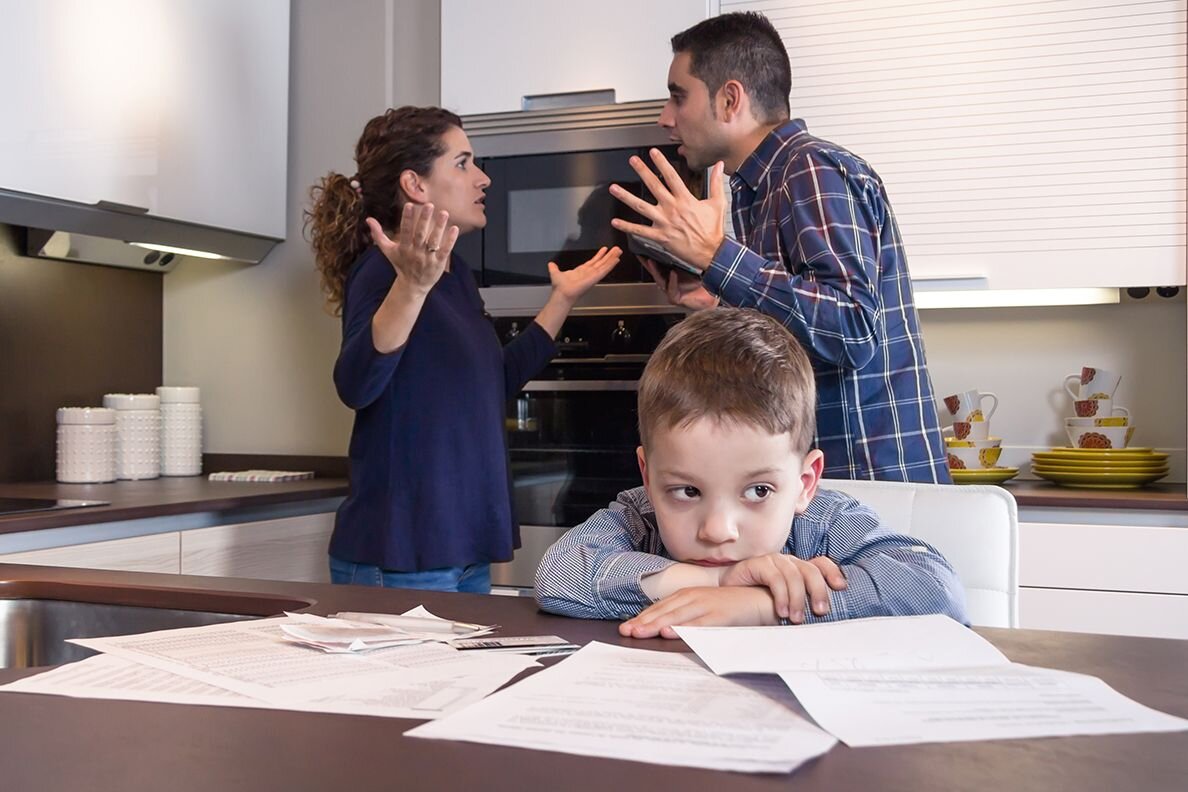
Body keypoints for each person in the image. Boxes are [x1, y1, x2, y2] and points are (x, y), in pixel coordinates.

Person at [608, 11, 950, 484]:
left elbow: (851, 328)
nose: (665, 118)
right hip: (826, 489)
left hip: (872, 486)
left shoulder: (810, 168)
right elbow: (803, 330)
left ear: (730, 99)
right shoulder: (755, 189)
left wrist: (715, 257)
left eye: (677, 96)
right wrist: (717, 300)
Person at [306, 106, 621, 593]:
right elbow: (356, 383)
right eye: (463, 163)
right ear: (416, 184)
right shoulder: (383, 271)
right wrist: (411, 288)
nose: (482, 178)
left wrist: (562, 300)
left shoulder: (455, 277)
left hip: (463, 550)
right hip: (403, 555)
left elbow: (493, 382)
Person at [534, 308, 967, 638]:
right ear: (647, 476)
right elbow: (556, 576)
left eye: (758, 490)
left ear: (804, 483)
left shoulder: (825, 523)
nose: (718, 531)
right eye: (686, 491)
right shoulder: (639, 514)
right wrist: (717, 580)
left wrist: (760, 605)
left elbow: (936, 589)